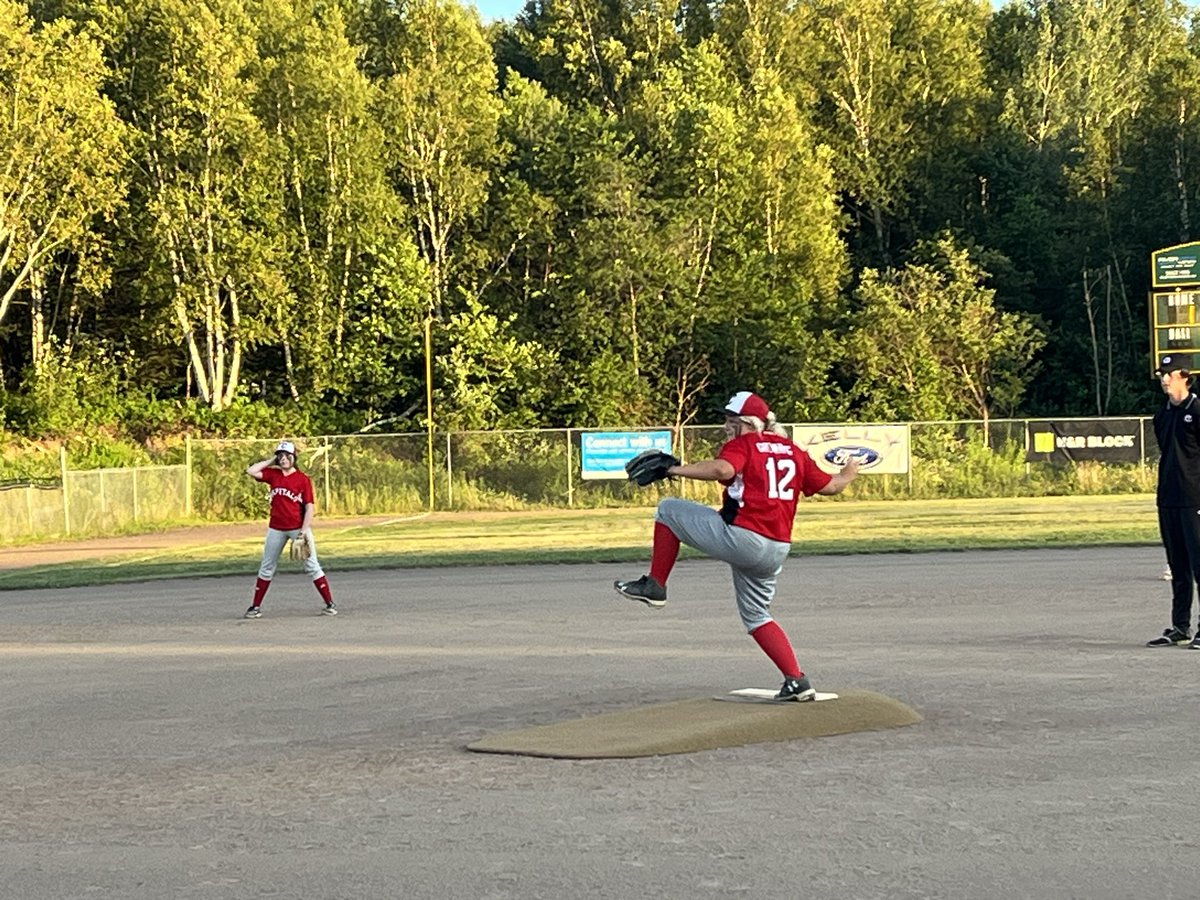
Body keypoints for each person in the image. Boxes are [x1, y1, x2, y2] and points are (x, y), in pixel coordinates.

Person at [614, 391, 860, 699]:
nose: (726, 427)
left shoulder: (745, 443)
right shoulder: (792, 450)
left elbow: (723, 470)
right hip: (776, 549)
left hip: (743, 538)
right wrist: (848, 474)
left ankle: (655, 585)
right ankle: (797, 681)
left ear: (747, 423)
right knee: (757, 615)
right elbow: (832, 486)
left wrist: (671, 469)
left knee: (668, 510)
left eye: (731, 421)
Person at [244, 440, 337, 618]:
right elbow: (251, 471)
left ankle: (329, 604)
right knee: (267, 567)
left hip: (297, 528)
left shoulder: (303, 480)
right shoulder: (273, 475)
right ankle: (255, 607)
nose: (283, 459)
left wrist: (303, 531)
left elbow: (310, 508)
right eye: (280, 456)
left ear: (294, 458)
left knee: (312, 566)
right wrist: (272, 460)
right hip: (276, 529)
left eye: (287, 456)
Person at [1148, 353, 1200, 648]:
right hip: (1168, 498)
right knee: (1178, 567)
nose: (1164, 379)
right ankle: (1180, 627)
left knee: (1199, 566)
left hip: (1195, 498)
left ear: (1184, 375)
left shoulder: (1198, 409)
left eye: (1168, 373)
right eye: (1161, 374)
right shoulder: (1162, 414)